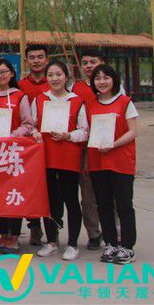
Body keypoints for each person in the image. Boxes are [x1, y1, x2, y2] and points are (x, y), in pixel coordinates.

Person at [26, 59, 89, 258]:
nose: (55, 79)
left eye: (58, 74)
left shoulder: (77, 101)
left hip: (68, 156)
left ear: (66, 76)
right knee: (50, 200)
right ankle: (52, 241)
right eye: (51, 75)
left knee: (71, 199)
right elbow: (32, 125)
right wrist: (35, 133)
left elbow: (85, 131)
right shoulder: (40, 99)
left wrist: (68, 136)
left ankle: (72, 244)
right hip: (45, 156)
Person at [86, 64, 139, 265]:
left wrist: (113, 144)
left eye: (106, 77)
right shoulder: (90, 104)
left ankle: (127, 247)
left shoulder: (125, 102)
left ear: (114, 80)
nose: (102, 82)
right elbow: (86, 131)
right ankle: (111, 243)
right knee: (103, 205)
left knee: (124, 205)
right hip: (97, 161)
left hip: (121, 161)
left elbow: (133, 131)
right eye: (97, 78)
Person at [0, 58, 35, 244]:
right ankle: (3, 233)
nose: (0, 76)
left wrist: (11, 135)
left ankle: (14, 235)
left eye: (4, 72)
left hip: (15, 152)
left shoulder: (20, 96)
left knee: (13, 193)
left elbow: (28, 124)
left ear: (12, 74)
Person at [75, 48, 105, 249]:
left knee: (110, 194)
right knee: (87, 196)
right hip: (84, 147)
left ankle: (115, 233)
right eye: (85, 63)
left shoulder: (112, 88)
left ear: (101, 62)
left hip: (106, 146)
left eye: (92, 62)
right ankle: (94, 233)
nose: (88, 66)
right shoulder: (76, 88)